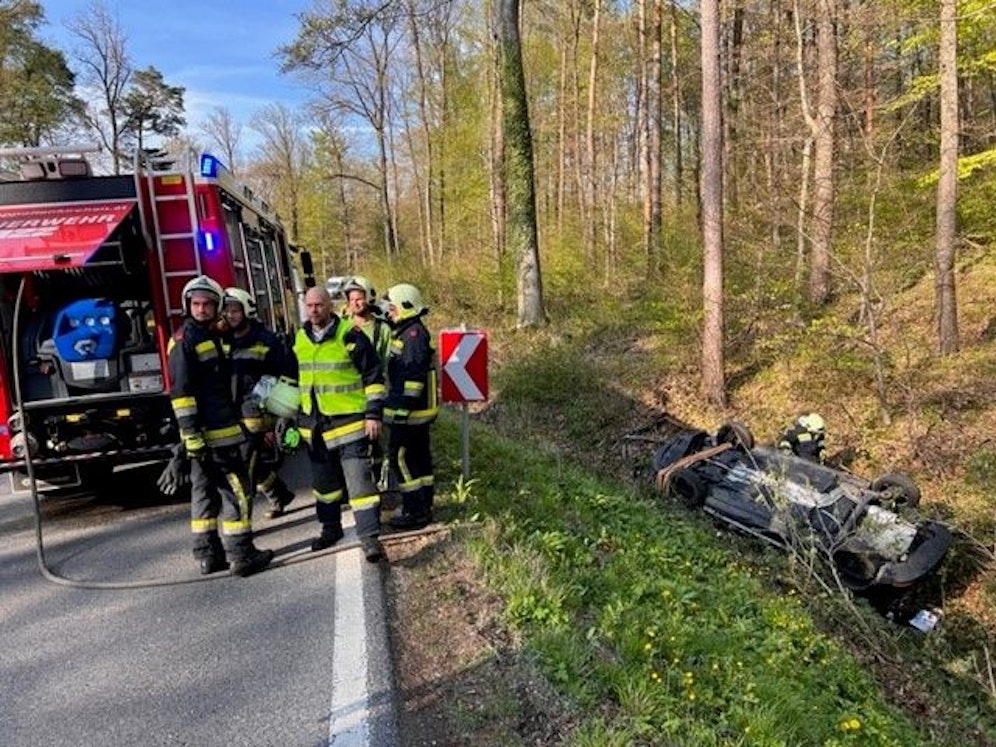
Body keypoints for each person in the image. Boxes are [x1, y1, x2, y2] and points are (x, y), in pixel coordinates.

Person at [168, 275, 273, 577]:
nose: (201, 309)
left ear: (216, 307)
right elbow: (182, 394)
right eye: (196, 304)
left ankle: (209, 556)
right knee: (237, 492)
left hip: (209, 435)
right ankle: (242, 555)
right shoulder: (186, 339)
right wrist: (191, 436)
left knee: (203, 493)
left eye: (207, 304)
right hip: (215, 436)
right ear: (188, 305)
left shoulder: (207, 335)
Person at [292, 285, 387, 561]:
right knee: (325, 486)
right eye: (309, 306)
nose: (313, 310)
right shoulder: (299, 338)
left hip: (350, 424)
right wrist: (287, 418)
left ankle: (369, 538)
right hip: (315, 426)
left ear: (329, 306)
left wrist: (373, 415)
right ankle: (330, 529)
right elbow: (291, 379)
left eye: (319, 305)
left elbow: (373, 376)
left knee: (359, 485)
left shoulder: (350, 335)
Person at [222, 287, 297, 519]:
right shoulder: (221, 341)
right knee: (250, 462)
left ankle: (241, 523)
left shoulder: (267, 341)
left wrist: (282, 418)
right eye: (226, 311)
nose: (230, 315)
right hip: (231, 414)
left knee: (245, 469)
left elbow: (288, 378)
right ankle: (279, 494)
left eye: (235, 310)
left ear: (247, 311)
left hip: (258, 416)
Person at [382, 283, 439, 529]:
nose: (389, 312)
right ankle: (424, 504)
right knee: (419, 458)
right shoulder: (408, 331)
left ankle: (415, 511)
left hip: (411, 412)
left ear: (405, 307)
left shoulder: (413, 335)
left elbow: (413, 378)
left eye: (392, 307)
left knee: (400, 457)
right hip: (416, 410)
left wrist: (403, 409)